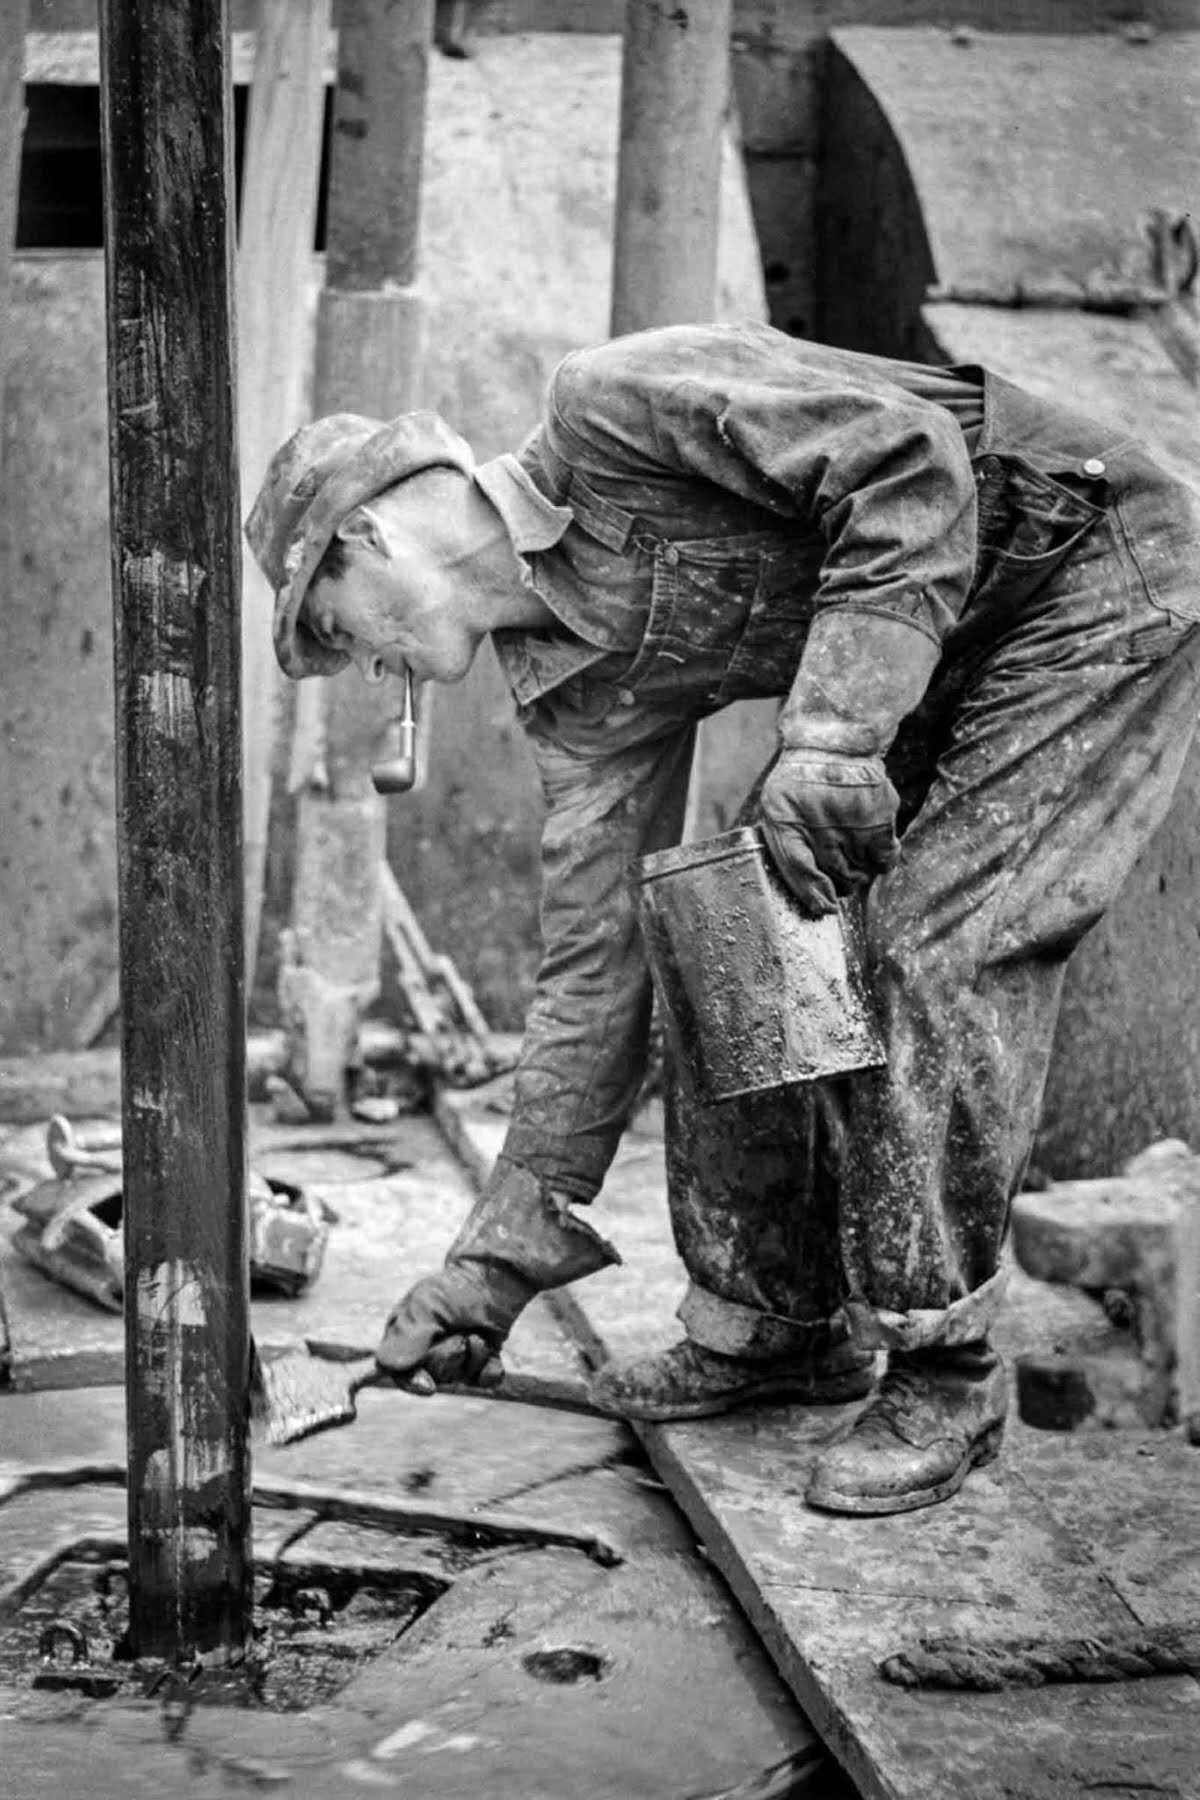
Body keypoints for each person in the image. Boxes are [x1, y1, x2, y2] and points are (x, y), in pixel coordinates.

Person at [247, 321, 1200, 1515]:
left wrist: (837, 736)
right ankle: (779, 1325)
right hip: (949, 629)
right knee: (726, 922)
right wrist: (498, 1257)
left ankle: (946, 1369)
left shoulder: (610, 407)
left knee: (929, 939)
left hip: (1092, 566)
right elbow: (594, 971)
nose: (351, 664)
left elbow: (910, 468)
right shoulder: (572, 687)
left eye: (329, 626)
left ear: (368, 534)